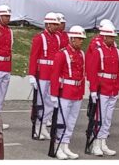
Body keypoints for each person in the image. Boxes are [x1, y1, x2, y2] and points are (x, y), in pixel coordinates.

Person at [50, 25, 87, 160]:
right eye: (79, 38)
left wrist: (82, 92)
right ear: (72, 39)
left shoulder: (81, 54)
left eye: (82, 39)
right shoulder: (62, 53)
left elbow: (82, 74)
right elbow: (55, 75)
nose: (81, 41)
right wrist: (54, 94)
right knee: (61, 120)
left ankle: (65, 145)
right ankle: (57, 145)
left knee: (71, 121)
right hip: (65, 92)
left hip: (76, 92)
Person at [86, 22, 119, 156]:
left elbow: (117, 70)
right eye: (110, 37)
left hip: (112, 87)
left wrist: (117, 87)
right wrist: (93, 90)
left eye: (114, 37)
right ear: (104, 37)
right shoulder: (98, 51)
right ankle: (95, 144)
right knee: (99, 117)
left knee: (108, 118)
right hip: (102, 87)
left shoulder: (115, 51)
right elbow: (93, 71)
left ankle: (103, 141)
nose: (113, 39)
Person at [29, 12, 63, 140]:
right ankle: (36, 126)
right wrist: (32, 74)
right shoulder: (39, 38)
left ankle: (43, 125)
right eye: (54, 24)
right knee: (39, 102)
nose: (56, 26)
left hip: (53, 74)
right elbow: (34, 57)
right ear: (48, 24)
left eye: (57, 24)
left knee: (50, 102)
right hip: (42, 74)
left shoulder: (58, 38)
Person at [0, 5, 13, 130]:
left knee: (1, 95)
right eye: (5, 16)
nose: (8, 18)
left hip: (6, 65)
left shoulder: (9, 30)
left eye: (9, 16)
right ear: (0, 16)